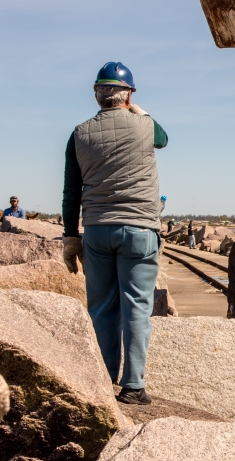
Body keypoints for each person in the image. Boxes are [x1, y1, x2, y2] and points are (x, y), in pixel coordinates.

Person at [61, 61, 168, 406]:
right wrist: (139, 110)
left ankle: (103, 379)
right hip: (139, 228)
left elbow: (71, 192)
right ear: (129, 95)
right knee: (136, 306)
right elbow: (163, 139)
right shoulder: (145, 126)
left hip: (97, 230)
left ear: (97, 94)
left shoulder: (79, 133)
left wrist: (70, 236)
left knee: (102, 307)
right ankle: (133, 386)